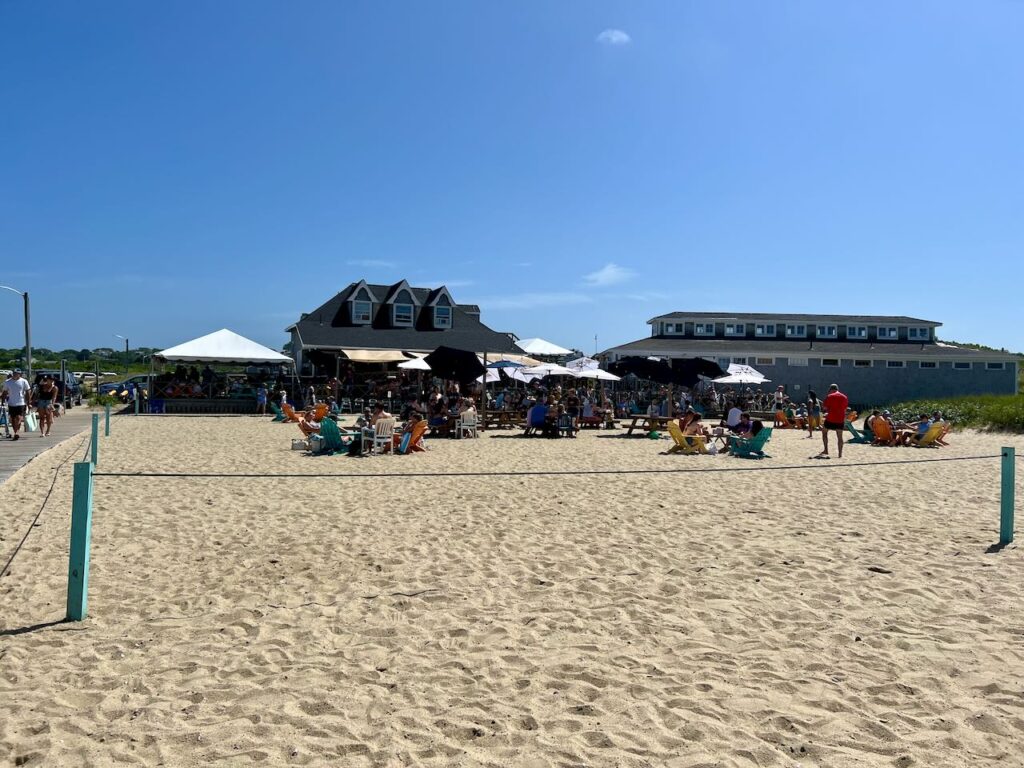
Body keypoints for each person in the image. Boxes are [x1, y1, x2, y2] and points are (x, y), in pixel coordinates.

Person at [818, 383, 849, 458]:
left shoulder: (830, 396)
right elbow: (845, 408)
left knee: (824, 432)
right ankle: (840, 454)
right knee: (840, 437)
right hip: (840, 419)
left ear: (831, 389)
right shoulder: (844, 397)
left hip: (830, 418)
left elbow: (824, 408)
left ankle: (826, 449)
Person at [2, 369, 31, 440]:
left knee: (18, 417)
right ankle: (16, 432)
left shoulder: (24, 381)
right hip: (11, 403)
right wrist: (3, 401)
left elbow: (28, 392)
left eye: (17, 373)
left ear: (20, 374)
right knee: (12, 419)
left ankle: (17, 432)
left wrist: (29, 402)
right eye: (14, 373)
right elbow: (5, 392)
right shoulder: (8, 382)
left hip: (21, 402)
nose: (15, 374)